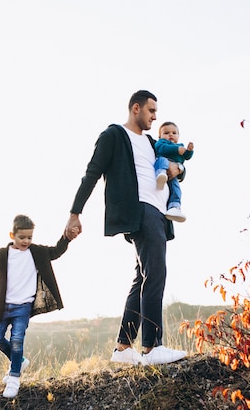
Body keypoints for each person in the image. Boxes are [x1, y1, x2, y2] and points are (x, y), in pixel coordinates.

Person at [65, 90, 187, 366]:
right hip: (140, 211)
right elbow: (92, 173)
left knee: (142, 277)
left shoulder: (152, 141)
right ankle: (152, 346)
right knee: (156, 272)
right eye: (151, 111)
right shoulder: (114, 136)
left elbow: (179, 164)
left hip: (158, 213)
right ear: (136, 109)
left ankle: (123, 348)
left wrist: (179, 171)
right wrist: (75, 213)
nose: (155, 117)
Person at [0, 214, 79, 398]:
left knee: (17, 339)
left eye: (29, 237)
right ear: (12, 235)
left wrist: (67, 237)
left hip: (23, 307)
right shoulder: (4, 254)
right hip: (3, 305)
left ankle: (14, 377)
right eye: (22, 237)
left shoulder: (37, 252)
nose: (26, 241)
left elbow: (56, 251)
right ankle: (19, 361)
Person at [154, 121, 194, 222]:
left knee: (176, 188)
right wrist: (177, 149)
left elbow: (187, 157)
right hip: (162, 164)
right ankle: (161, 175)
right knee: (162, 160)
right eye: (166, 133)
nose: (170, 135)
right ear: (160, 136)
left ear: (178, 136)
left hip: (173, 174)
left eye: (174, 133)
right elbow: (162, 149)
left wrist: (189, 151)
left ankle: (174, 207)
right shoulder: (161, 143)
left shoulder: (181, 146)